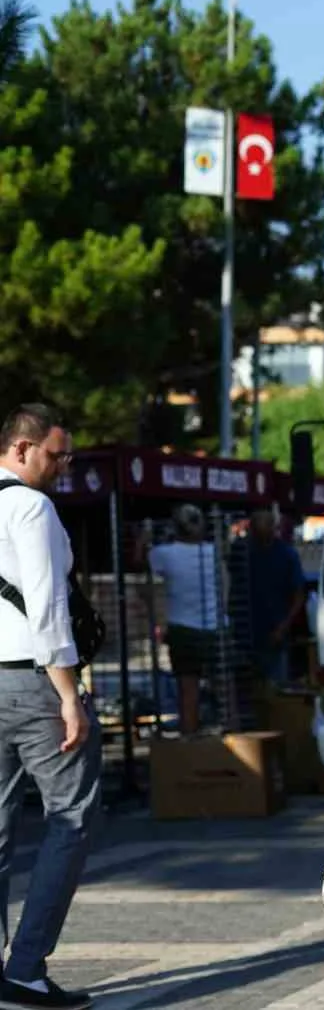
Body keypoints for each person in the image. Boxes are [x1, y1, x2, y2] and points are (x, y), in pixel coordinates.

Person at [0, 404, 97, 1009]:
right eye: (56, 455)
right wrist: (70, 697)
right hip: (34, 683)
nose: (64, 466)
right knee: (73, 816)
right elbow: (46, 609)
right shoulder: (31, 507)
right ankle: (26, 969)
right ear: (19, 449)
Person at [139, 505, 223, 736]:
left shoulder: (164, 554)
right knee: (223, 686)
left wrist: (143, 538)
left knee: (188, 689)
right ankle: (224, 731)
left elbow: (139, 562)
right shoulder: (213, 552)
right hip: (216, 627)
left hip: (183, 630)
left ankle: (190, 737)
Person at [228, 506, 305, 691]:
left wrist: (282, 628)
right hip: (245, 633)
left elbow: (298, 595)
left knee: (275, 689)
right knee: (248, 690)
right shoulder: (242, 551)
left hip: (273, 634)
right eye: (255, 529)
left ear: (273, 528)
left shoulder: (286, 555)